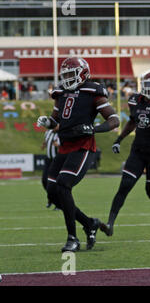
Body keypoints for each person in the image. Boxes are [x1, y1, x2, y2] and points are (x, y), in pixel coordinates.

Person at [36, 57, 120, 252]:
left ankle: (72, 238)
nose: (67, 79)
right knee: (52, 193)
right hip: (64, 147)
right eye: (64, 75)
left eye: (70, 75)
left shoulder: (93, 92)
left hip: (83, 147)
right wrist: (46, 122)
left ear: (83, 74)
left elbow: (114, 120)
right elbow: (56, 122)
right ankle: (89, 223)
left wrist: (93, 129)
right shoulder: (61, 93)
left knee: (63, 185)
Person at [100, 72, 150, 236]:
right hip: (138, 151)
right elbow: (132, 121)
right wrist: (119, 139)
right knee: (124, 186)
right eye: (147, 85)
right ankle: (110, 223)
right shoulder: (135, 100)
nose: (149, 89)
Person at [41, 125, 60, 209]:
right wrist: (44, 145)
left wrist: (58, 145)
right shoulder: (48, 132)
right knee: (44, 180)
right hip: (48, 160)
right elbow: (45, 141)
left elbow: (65, 145)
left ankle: (58, 203)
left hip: (56, 160)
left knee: (54, 182)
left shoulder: (61, 134)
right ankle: (51, 198)